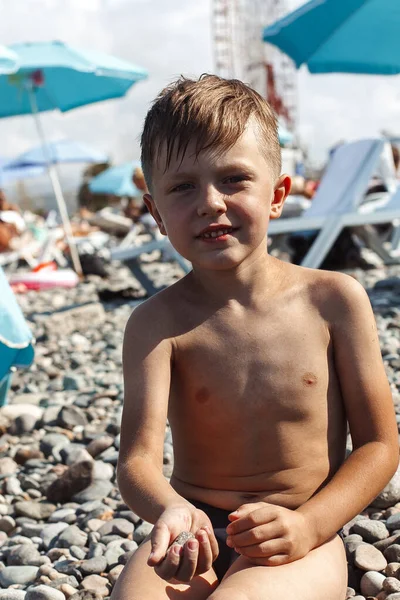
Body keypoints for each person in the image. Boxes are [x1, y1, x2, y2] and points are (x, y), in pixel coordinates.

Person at [112, 75, 399, 600]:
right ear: (155, 213)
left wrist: (312, 525)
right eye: (182, 187)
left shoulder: (333, 301)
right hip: (191, 530)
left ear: (277, 196)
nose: (210, 203)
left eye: (234, 179)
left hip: (296, 530)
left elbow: (380, 445)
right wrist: (171, 511)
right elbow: (136, 461)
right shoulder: (157, 322)